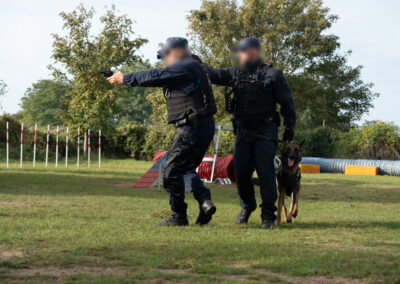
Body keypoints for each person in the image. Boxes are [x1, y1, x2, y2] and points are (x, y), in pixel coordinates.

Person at [106, 37, 217, 226]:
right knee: (185, 168)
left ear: (177, 52)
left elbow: (155, 76)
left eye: (165, 56)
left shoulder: (185, 66)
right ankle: (204, 201)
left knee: (169, 170)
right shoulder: (195, 66)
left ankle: (178, 216)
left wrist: (125, 79)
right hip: (203, 126)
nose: (165, 60)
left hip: (192, 127)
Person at [204, 37, 296, 229]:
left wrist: (289, 128)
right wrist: (193, 63)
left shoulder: (274, 74)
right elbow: (213, 74)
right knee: (242, 172)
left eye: (242, 51)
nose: (239, 55)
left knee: (265, 173)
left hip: (265, 132)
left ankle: (268, 216)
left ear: (253, 51)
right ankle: (247, 205)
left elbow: (287, 102)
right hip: (243, 132)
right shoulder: (235, 73)